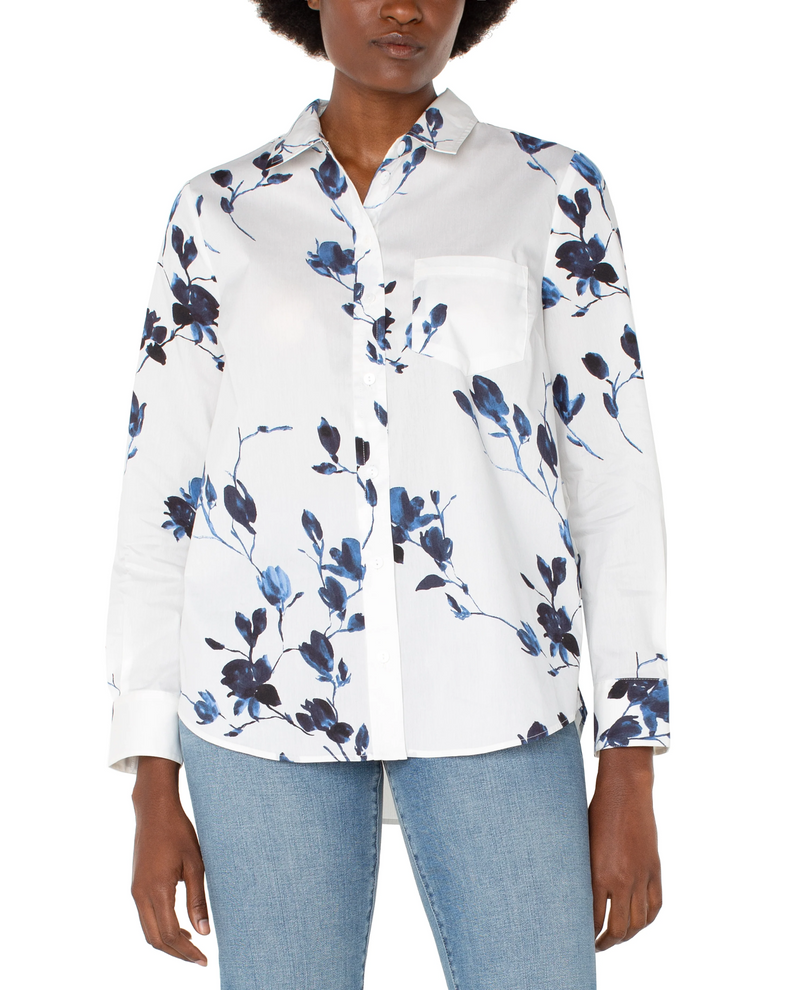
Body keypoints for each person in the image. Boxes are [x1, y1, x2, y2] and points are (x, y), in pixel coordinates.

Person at [105, 1, 671, 987]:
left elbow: (611, 481)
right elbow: (163, 494)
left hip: (498, 694)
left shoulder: (550, 189)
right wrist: (151, 780)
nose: (404, 7)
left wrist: (631, 761)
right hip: (261, 707)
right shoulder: (219, 210)